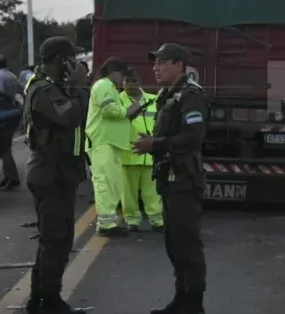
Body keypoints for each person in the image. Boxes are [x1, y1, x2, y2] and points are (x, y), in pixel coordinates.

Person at [133, 43, 209, 314]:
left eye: (161, 62)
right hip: (169, 179)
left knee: (187, 243)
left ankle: (193, 304)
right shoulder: (169, 95)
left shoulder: (191, 96)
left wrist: (155, 144)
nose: (155, 67)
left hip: (185, 179)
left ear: (179, 65)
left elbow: (192, 137)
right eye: (154, 62)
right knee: (174, 243)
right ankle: (181, 299)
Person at [23, 36, 89, 314]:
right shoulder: (42, 89)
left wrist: (75, 87)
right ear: (59, 60)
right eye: (70, 59)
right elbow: (68, 115)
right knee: (55, 240)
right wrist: (78, 86)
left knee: (57, 239)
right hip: (50, 174)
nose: (75, 64)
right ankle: (46, 301)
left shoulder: (57, 88)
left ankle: (41, 298)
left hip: (61, 173)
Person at [86, 57, 140, 237]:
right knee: (105, 183)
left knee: (113, 183)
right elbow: (110, 111)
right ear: (113, 71)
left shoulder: (109, 88)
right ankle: (106, 224)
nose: (122, 79)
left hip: (111, 142)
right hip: (103, 142)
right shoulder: (103, 85)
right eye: (122, 74)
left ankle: (109, 222)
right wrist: (128, 111)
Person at [119, 68, 163, 232]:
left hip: (150, 154)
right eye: (127, 81)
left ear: (140, 82)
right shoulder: (118, 101)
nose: (130, 84)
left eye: (134, 81)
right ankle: (132, 221)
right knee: (128, 193)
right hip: (128, 153)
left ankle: (157, 220)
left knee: (153, 192)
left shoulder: (154, 100)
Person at [0, 54, 24, 191]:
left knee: (4, 149)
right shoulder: (11, 75)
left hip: (0, 116)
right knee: (4, 147)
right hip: (9, 113)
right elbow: (21, 90)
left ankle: (12, 178)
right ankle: (8, 176)